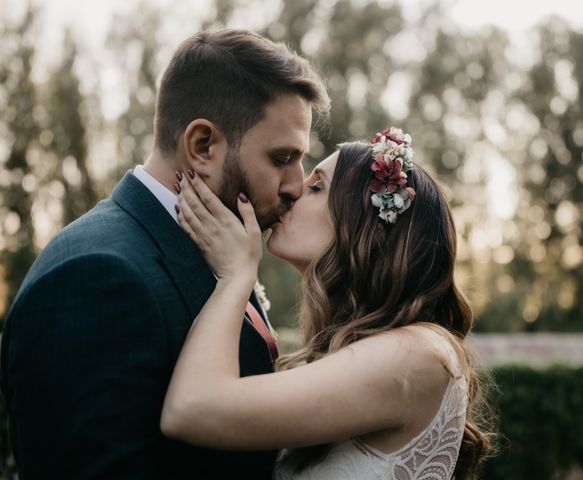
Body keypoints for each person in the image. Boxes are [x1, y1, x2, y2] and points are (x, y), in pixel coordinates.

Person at [0, 29, 329, 479]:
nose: (296, 184)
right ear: (202, 146)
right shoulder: (94, 278)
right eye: (281, 158)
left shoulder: (222, 253)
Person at [161, 127, 495, 479]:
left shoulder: (419, 354)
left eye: (317, 187)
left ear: (366, 227)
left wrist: (236, 277)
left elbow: (191, 409)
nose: (292, 191)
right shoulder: (359, 351)